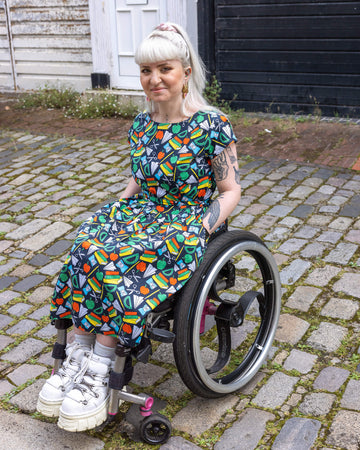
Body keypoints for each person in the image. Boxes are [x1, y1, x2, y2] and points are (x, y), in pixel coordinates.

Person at [37, 22, 241, 432]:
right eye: (146, 71)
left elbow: (231, 189)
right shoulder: (141, 124)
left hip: (186, 218)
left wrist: (203, 225)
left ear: (185, 71)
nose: (154, 79)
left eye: (163, 69)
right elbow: (140, 177)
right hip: (144, 210)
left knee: (117, 258)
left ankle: (100, 365)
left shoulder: (211, 125)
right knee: (88, 244)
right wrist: (119, 202)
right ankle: (76, 356)